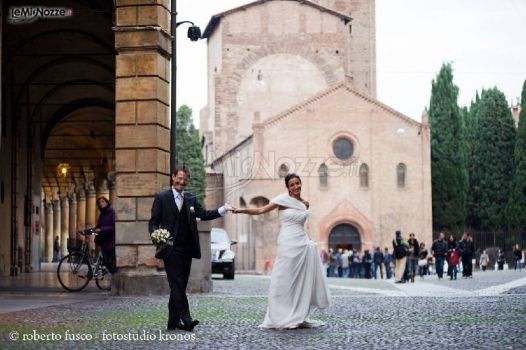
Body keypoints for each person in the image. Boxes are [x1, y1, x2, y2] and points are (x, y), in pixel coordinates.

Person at [233, 173, 330, 329]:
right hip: (287, 243)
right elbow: (260, 210)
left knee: (301, 280)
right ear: (288, 187)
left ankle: (299, 313)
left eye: (297, 183)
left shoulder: (305, 204)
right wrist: (239, 211)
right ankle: (280, 314)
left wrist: (309, 240)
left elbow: (301, 225)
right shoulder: (282, 201)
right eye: (292, 185)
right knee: (283, 279)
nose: (296, 187)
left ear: (301, 184)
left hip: (302, 243)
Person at [149, 166, 231, 332]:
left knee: (179, 284)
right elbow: (153, 222)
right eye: (179, 178)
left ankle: (173, 322)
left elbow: (204, 214)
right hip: (169, 248)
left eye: (185, 179)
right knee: (177, 283)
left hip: (186, 248)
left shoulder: (191, 198)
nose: (182, 182)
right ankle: (186, 320)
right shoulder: (162, 197)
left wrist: (223, 209)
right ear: (173, 177)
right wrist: (156, 236)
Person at [94, 196, 117, 274]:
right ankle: (115, 277)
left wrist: (102, 229)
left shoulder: (112, 212)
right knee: (106, 262)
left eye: (102, 201)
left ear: (107, 202)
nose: (101, 204)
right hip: (104, 243)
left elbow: (114, 227)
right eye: (99, 203)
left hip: (112, 242)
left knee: (112, 263)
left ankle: (116, 279)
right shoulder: (102, 215)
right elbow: (97, 228)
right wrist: (87, 232)